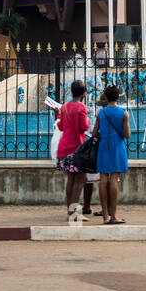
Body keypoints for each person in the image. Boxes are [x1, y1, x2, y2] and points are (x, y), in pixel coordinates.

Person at [54, 80, 91, 222]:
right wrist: (87, 119)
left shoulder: (64, 107)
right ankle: (74, 213)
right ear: (83, 93)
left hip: (64, 148)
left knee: (71, 179)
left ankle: (70, 211)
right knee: (80, 179)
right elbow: (84, 127)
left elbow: (61, 127)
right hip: (76, 148)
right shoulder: (81, 107)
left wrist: (58, 115)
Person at [95, 84, 130, 225]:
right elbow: (127, 134)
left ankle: (105, 216)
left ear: (106, 97)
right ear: (118, 97)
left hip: (103, 147)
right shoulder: (124, 113)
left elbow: (94, 132)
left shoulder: (101, 113)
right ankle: (114, 215)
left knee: (103, 179)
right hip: (117, 147)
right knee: (114, 179)